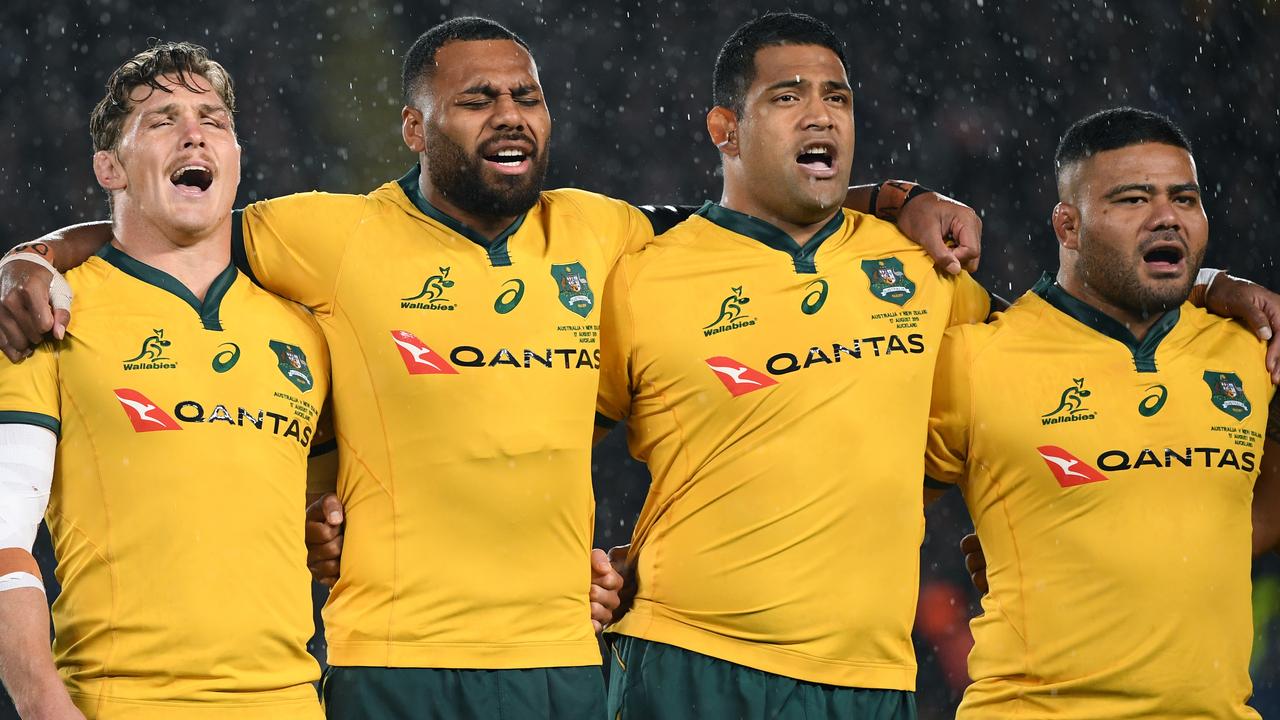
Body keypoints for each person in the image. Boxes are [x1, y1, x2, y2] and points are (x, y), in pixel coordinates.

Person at [0, 17, 994, 720]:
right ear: (414, 127)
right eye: (476, 99)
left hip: (560, 662)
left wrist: (892, 194)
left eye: (525, 96)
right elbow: (170, 239)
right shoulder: (321, 236)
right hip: (386, 665)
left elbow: (747, 223)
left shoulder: (604, 235)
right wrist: (34, 257)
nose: (508, 115)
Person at [590, 14, 992, 720]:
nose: (821, 116)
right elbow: (536, 431)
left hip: (871, 676)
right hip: (690, 662)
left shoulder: (928, 271)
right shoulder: (641, 278)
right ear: (725, 130)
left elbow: (1050, 375)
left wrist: (1214, 287)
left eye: (837, 98)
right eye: (788, 96)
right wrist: (556, 557)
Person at [0, 42, 332, 719]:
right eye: (162, 120)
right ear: (110, 167)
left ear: (236, 158)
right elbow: (4, 535)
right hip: (118, 703)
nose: (194, 134)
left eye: (213, 120)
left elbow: (327, 520)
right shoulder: (44, 311)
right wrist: (41, 704)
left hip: (294, 704)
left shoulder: (306, 332)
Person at [924, 107, 1279, 719]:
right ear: (1068, 225)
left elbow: (1256, 512)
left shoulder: (1251, 348)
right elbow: (865, 516)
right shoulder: (975, 358)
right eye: (1133, 199)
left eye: (1185, 199)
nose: (1166, 217)